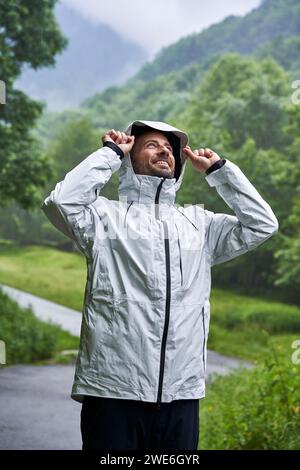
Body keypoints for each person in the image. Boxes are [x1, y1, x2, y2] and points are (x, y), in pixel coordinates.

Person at [41, 120, 279, 451]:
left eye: (168, 147)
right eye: (151, 145)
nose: (164, 150)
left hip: (181, 394)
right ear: (129, 157)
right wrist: (109, 154)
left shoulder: (199, 224)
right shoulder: (104, 219)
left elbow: (262, 224)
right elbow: (59, 203)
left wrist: (220, 171)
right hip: (113, 389)